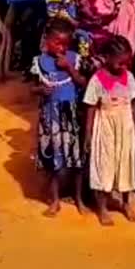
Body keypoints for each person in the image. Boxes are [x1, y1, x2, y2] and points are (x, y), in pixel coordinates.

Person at [83, 36, 135, 226]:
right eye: (120, 62)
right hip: (105, 127)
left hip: (126, 127)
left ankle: (125, 203)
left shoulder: (129, 77)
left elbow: (133, 105)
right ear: (106, 57)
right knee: (104, 166)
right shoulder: (96, 80)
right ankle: (102, 208)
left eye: (127, 62)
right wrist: (88, 136)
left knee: (125, 165)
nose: (124, 66)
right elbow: (90, 108)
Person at [31, 18, 89, 217]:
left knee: (76, 160)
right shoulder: (39, 62)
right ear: (47, 40)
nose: (62, 48)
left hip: (71, 115)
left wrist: (69, 68)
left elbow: (83, 83)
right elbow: (32, 88)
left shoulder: (74, 58)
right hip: (51, 117)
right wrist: (40, 90)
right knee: (54, 162)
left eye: (66, 44)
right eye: (57, 43)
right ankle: (55, 200)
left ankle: (79, 199)